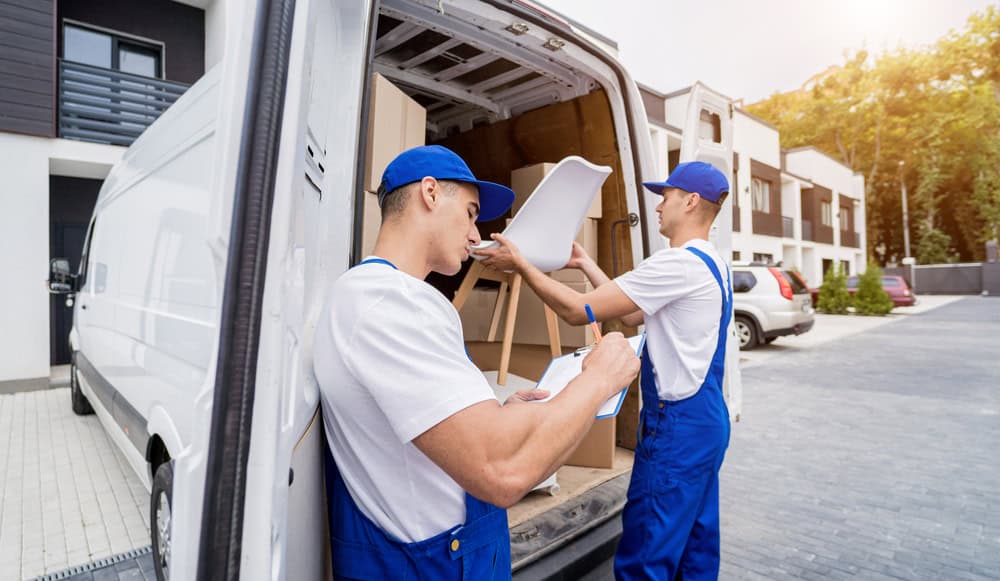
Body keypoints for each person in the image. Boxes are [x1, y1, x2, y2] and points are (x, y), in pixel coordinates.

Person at [313, 145, 641, 580]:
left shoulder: (383, 297)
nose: (474, 235)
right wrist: (599, 380)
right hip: (430, 567)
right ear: (429, 193)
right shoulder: (388, 302)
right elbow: (501, 471)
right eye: (470, 213)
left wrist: (498, 415)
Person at [477, 161, 734, 580]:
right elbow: (633, 314)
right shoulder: (710, 263)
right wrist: (584, 264)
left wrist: (521, 263)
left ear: (690, 202)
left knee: (647, 554)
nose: (657, 205)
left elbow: (577, 311)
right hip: (706, 423)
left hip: (677, 431)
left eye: (665, 196)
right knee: (695, 546)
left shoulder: (677, 265)